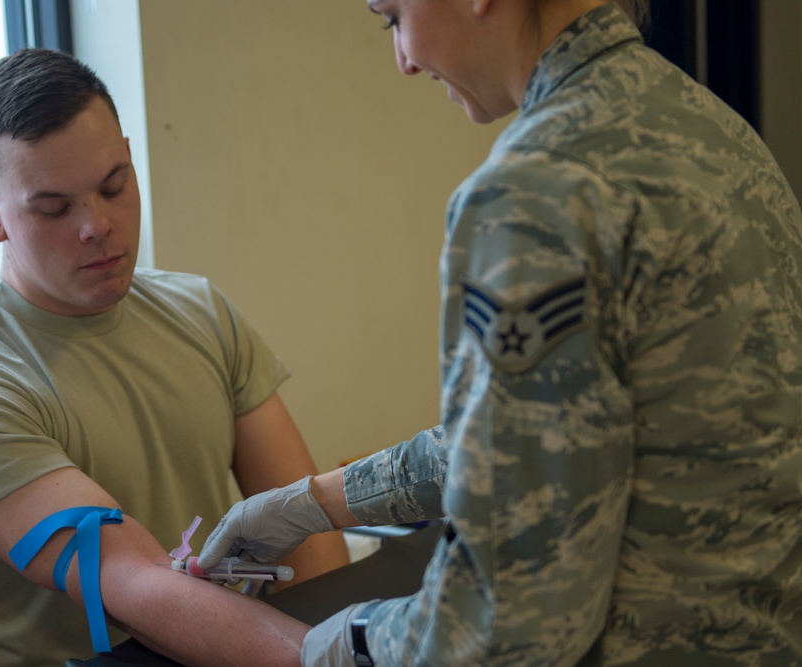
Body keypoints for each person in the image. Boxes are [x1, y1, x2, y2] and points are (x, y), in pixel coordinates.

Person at [198, 0, 802, 665]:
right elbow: (552, 440)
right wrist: (313, 502)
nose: (403, 59)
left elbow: (509, 623)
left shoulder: (533, 189)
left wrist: (351, 642)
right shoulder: (718, 132)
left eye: (393, 15)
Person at [0, 47, 348, 667]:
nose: (97, 225)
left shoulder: (200, 311)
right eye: (54, 207)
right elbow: (133, 581)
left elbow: (304, 531)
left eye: (114, 186)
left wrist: (345, 633)